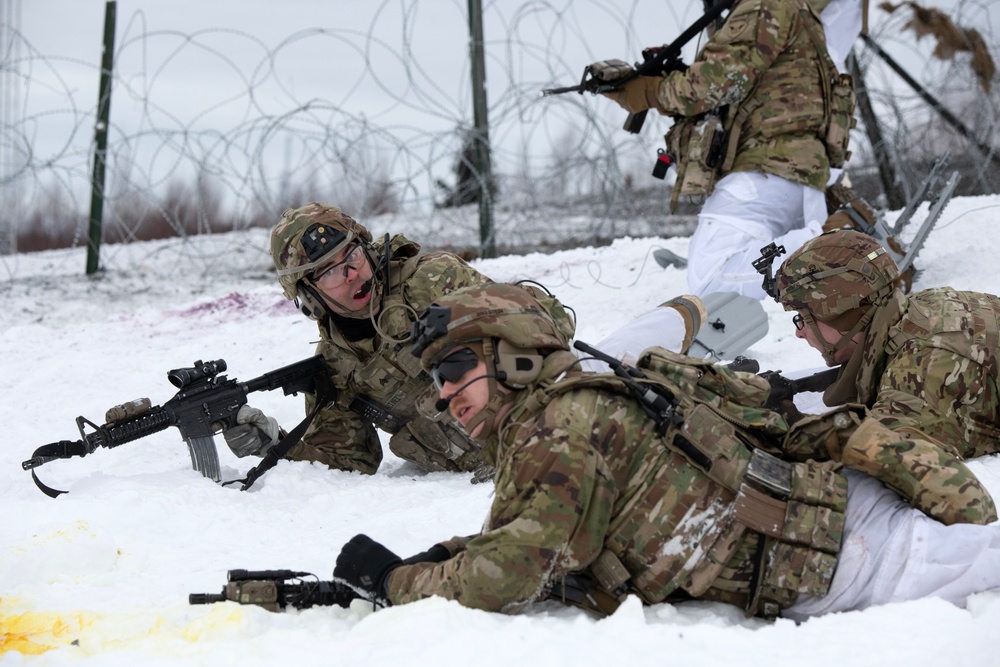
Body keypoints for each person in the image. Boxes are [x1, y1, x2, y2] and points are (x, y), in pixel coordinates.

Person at [331, 283, 999, 621]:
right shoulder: (575, 405)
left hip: (861, 558)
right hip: (840, 533)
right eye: (436, 383)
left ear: (511, 353)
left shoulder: (561, 427)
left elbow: (504, 576)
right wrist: (440, 559)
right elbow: (529, 540)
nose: (445, 396)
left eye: (454, 371)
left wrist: (398, 581)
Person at [223, 201, 709, 480]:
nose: (352, 273)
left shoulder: (427, 281)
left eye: (352, 254)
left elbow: (552, 321)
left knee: (641, 375)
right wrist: (275, 443)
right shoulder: (333, 367)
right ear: (307, 297)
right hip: (493, 464)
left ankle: (692, 320)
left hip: (565, 406)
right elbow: (348, 460)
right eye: (328, 273)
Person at [591, 0, 854, 300]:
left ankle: (835, 241)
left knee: (711, 278)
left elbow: (712, 84)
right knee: (757, 270)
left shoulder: (763, 6)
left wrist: (648, 91)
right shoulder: (789, 7)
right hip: (789, 172)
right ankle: (831, 238)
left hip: (767, 171)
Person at [774, 228, 1000, 461]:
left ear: (841, 314)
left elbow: (888, 457)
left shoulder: (920, 367)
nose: (799, 333)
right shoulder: (924, 304)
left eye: (803, 318)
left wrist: (786, 428)